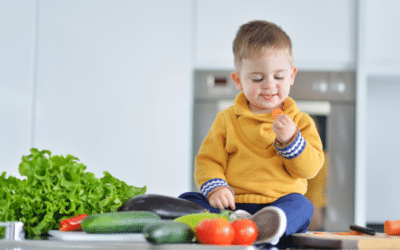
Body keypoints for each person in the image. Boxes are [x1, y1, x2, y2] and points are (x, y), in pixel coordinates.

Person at [179, 20, 325, 246]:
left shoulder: (300, 122)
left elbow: (310, 168)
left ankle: (263, 227)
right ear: (238, 80)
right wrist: (216, 187)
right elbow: (208, 160)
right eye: (258, 78)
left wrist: (291, 141)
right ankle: (237, 224)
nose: (269, 85)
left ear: (292, 75)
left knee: (302, 206)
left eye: (278, 77)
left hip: (278, 204)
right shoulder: (227, 119)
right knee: (186, 200)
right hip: (232, 205)